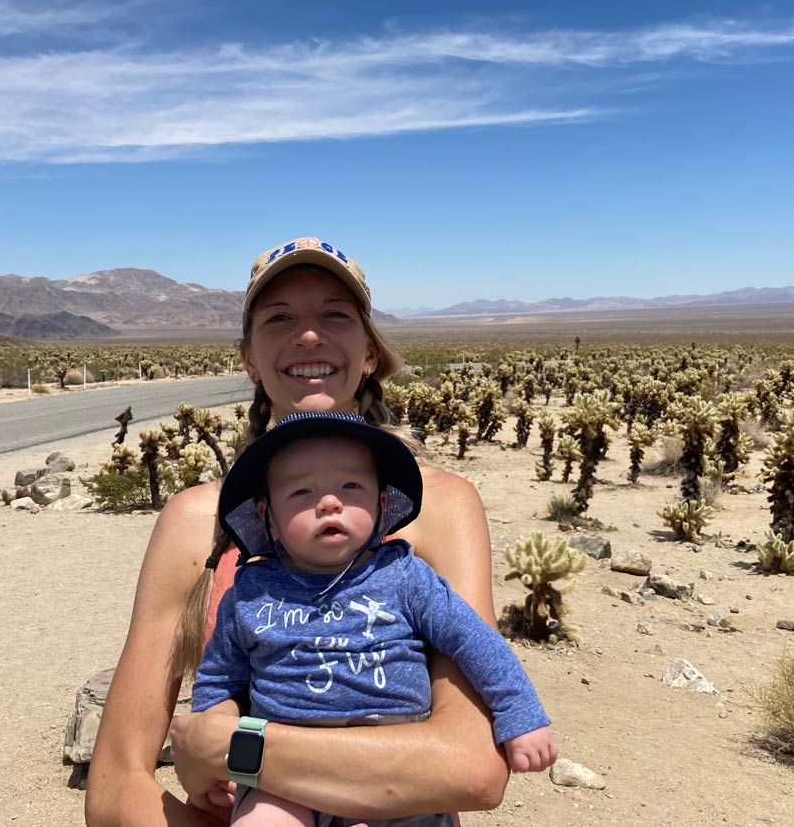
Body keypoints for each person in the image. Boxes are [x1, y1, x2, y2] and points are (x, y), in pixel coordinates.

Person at [86, 238, 512, 827]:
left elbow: (470, 767)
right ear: (249, 358)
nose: (308, 335)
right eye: (279, 318)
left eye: (335, 315)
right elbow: (116, 787)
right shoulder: (196, 521)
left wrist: (235, 749)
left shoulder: (437, 507)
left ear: (369, 353)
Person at [194, 411, 557, 826]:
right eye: (301, 492)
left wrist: (519, 714)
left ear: (381, 504)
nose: (329, 502)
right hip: (283, 777)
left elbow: (474, 641)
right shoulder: (249, 593)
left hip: (396, 767)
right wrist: (212, 745)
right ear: (267, 517)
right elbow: (219, 679)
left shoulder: (404, 577)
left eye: (351, 486)